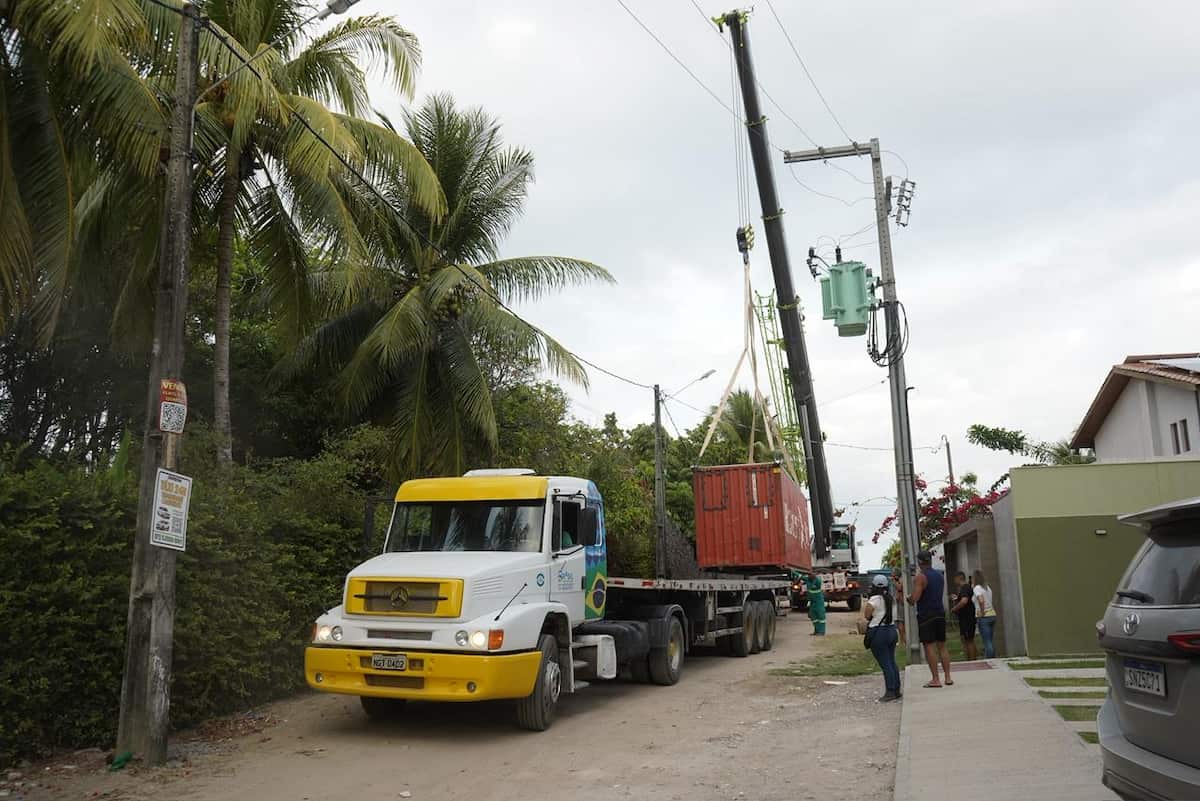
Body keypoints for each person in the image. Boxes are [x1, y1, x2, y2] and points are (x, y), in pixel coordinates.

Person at [907, 550, 952, 688]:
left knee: (929, 646)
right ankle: (948, 677)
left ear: (920, 562)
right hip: (940, 612)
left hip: (926, 614)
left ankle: (935, 679)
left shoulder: (921, 577)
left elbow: (915, 598)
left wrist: (909, 598)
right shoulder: (939, 575)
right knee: (942, 646)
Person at [864, 573, 901, 702]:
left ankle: (890, 691)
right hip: (891, 631)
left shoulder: (874, 600)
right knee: (891, 661)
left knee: (885, 664)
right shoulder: (891, 599)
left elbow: (867, 615)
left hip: (878, 632)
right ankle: (896, 689)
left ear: (874, 586)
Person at [949, 571, 978, 661]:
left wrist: (955, 608)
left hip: (967, 618)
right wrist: (956, 598)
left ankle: (972, 660)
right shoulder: (965, 588)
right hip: (966, 618)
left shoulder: (965, 588)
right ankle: (970, 658)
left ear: (959, 578)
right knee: (966, 639)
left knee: (969, 640)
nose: (954, 581)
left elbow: (964, 601)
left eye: (955, 579)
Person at [973, 569, 999, 658]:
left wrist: (982, 612)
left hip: (984, 617)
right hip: (992, 615)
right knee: (990, 641)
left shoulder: (977, 588)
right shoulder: (987, 588)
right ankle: (993, 659)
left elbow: (981, 600)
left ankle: (989, 659)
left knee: (986, 642)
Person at [891, 567, 906, 645]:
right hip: (898, 603)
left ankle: (902, 641)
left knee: (901, 622)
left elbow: (900, 588)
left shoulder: (900, 580)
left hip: (901, 603)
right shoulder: (899, 580)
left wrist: (894, 581)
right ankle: (902, 640)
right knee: (900, 622)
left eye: (893, 574)